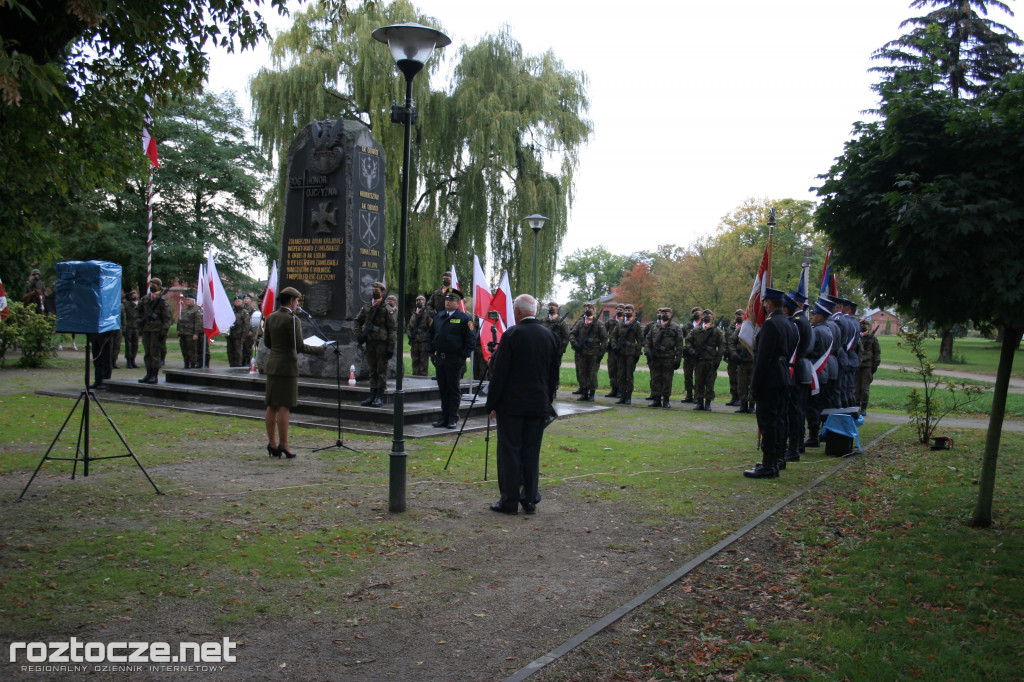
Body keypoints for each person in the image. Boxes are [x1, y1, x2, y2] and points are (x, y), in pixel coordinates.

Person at [485, 294, 560, 515]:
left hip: (513, 405)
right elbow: (553, 375)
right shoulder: (550, 335)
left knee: (510, 452)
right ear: (534, 311)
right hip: (538, 404)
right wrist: (548, 400)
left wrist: (492, 404)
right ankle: (529, 499)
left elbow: (500, 373)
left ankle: (509, 501)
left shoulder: (512, 334)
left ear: (517, 312)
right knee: (531, 453)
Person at [264, 286, 326, 458]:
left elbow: (268, 342)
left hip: (273, 365)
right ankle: (284, 444)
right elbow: (299, 346)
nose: (297, 304)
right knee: (284, 406)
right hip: (287, 367)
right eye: (297, 301)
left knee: (271, 405)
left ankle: (272, 443)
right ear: (291, 301)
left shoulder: (271, 317)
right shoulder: (292, 320)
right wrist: (320, 349)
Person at [744, 288, 798, 479]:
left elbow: (763, 359)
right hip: (783, 375)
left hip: (770, 378)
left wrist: (755, 385)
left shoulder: (771, 325)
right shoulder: (789, 324)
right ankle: (776, 459)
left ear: (769, 303)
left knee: (768, 421)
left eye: (765, 302)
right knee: (780, 420)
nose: (763, 305)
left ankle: (768, 464)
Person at [428, 289, 476, 428]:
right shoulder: (438, 317)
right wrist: (431, 352)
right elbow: (430, 335)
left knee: (453, 388)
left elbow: (470, 339)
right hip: (440, 358)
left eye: (451, 300)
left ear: (457, 302)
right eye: (446, 300)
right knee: (443, 388)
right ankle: (444, 417)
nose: (448, 302)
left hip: (455, 359)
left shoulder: (464, 318)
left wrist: (463, 356)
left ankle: (453, 417)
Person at [354, 281, 398, 407]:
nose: (375, 290)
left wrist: (390, 347)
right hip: (370, 342)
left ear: (383, 292)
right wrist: (359, 335)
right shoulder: (367, 307)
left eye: (378, 289)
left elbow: (392, 329)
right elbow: (357, 321)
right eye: (373, 288)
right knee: (372, 369)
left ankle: (380, 396)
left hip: (382, 344)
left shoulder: (387, 309)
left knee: (381, 370)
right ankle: (372, 394)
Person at [782, 291, 814, 462]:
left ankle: (793, 447)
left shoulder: (797, 322)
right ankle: (798, 443)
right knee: (798, 409)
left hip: (796, 368)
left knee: (794, 410)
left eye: (786, 306)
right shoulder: (803, 320)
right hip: (802, 367)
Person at [805, 301, 836, 448]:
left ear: (821, 316)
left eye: (815, 314)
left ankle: (813, 435)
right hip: (822, 371)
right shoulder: (827, 329)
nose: (812, 316)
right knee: (818, 405)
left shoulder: (816, 331)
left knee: (812, 406)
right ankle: (816, 433)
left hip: (815, 371)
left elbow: (809, 349)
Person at [644, 307, 684, 408]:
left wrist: (678, 359)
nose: (664, 314)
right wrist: (647, 352)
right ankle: (656, 399)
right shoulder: (655, 326)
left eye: (667, 312)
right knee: (655, 379)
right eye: (663, 312)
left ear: (671, 314)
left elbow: (679, 344)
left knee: (667, 379)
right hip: (656, 357)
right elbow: (648, 340)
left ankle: (666, 400)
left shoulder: (675, 327)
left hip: (668, 357)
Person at [568, 301, 607, 402]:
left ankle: (592, 394)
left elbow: (604, 339)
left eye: (590, 308)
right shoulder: (580, 322)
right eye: (586, 309)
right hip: (582, 352)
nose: (588, 310)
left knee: (592, 374)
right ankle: (584, 393)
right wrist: (575, 344)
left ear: (594, 310)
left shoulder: (599, 323)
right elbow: (572, 334)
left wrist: (601, 353)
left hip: (594, 353)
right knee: (582, 373)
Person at [687, 309, 724, 411]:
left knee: (710, 383)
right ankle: (699, 402)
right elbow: (688, 342)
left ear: (713, 317)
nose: (707, 316)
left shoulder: (716, 331)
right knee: (698, 382)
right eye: (705, 314)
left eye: (709, 314)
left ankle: (708, 403)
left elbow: (721, 346)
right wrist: (693, 352)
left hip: (711, 361)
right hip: (699, 361)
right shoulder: (696, 330)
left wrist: (717, 360)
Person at [136, 277, 172, 384]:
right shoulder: (146, 299)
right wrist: (139, 321)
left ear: (159, 286)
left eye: (154, 284)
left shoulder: (162, 300)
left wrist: (164, 332)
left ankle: (154, 375)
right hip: (147, 329)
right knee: (147, 353)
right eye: (151, 283)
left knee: (155, 353)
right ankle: (148, 373)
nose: (152, 285)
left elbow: (167, 318)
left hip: (157, 330)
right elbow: (138, 311)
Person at [609, 303, 643, 404]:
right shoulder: (620, 323)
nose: (627, 312)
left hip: (630, 353)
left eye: (629, 311)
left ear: (633, 312)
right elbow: (613, 336)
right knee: (621, 375)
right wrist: (614, 346)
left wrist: (636, 351)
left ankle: (628, 396)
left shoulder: (636, 324)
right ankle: (622, 395)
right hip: (620, 352)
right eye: (626, 311)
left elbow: (640, 340)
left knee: (629, 375)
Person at [856, 318, 881, 415]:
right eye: (861, 325)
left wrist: (875, 365)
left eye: (864, 325)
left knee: (864, 388)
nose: (862, 326)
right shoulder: (857, 337)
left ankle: (864, 408)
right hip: (858, 365)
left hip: (867, 366)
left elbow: (877, 353)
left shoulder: (873, 339)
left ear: (868, 327)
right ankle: (857, 407)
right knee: (856, 387)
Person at [407, 294, 433, 376]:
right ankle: (415, 374)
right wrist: (409, 335)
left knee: (423, 360)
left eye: (421, 300)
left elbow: (431, 327)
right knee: (415, 359)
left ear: (424, 302)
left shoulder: (427, 313)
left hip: (423, 340)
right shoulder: (414, 313)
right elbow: (409, 327)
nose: (419, 302)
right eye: (417, 300)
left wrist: (428, 338)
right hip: (414, 340)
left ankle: (423, 375)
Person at [177, 291, 203, 368]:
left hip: (190, 333)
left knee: (192, 349)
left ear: (193, 301)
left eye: (188, 299)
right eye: (186, 299)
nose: (187, 301)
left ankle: (193, 363)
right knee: (184, 348)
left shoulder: (196, 309)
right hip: (183, 332)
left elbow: (198, 323)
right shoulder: (184, 309)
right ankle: (186, 363)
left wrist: (196, 333)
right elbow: (179, 320)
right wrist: (178, 329)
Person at [681, 305, 702, 403]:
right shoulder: (687, 326)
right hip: (689, 354)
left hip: (700, 355)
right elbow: (681, 338)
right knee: (688, 375)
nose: (696, 314)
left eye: (698, 312)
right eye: (694, 313)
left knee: (699, 376)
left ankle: (698, 396)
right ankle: (689, 395)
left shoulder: (704, 325)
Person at [724, 309, 744, 406]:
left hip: (742, 357)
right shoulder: (730, 329)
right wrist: (726, 351)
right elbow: (726, 341)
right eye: (736, 315)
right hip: (732, 357)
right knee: (732, 377)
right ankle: (734, 397)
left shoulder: (746, 327)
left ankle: (741, 398)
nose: (738, 316)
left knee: (741, 379)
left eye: (740, 314)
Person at [604, 304, 625, 398]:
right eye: (617, 309)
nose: (618, 311)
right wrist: (609, 339)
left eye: (621, 309)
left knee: (621, 370)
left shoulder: (626, 321)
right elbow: (603, 331)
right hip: (612, 349)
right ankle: (614, 388)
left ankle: (621, 389)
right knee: (612, 369)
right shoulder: (611, 320)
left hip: (622, 349)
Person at [120, 291, 140, 369]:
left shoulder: (138, 305)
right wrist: (126, 295)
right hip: (128, 327)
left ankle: (133, 360)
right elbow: (120, 300)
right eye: (132, 295)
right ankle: (129, 361)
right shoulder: (126, 304)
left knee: (135, 345)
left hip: (136, 327)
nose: (134, 296)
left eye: (135, 294)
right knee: (128, 345)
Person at [228, 296, 248, 367]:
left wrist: (244, 336)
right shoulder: (231, 310)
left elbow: (246, 324)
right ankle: (231, 364)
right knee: (230, 351)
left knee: (238, 351)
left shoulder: (244, 312)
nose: (237, 302)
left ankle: (238, 365)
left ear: (242, 302)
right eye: (236, 301)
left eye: (238, 301)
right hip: (231, 334)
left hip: (239, 335)